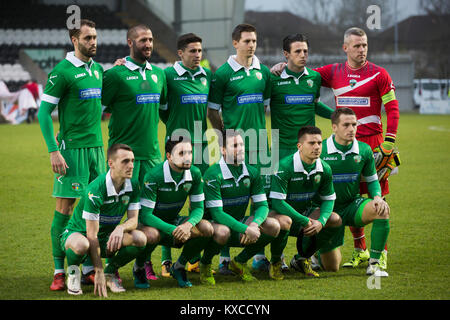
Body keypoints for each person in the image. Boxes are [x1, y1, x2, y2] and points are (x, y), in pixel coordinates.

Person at [272, 27, 399, 270]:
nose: (361, 50)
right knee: (338, 194)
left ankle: (378, 254)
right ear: (346, 48)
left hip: (372, 144)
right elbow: (302, 74)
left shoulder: (379, 74)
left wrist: (389, 141)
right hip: (324, 141)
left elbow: (392, 109)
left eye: (364, 45)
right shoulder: (330, 72)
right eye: (357, 46)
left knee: (375, 197)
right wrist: (280, 65)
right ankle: (358, 249)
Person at [37, 19, 106, 291]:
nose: (94, 42)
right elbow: (43, 113)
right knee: (65, 209)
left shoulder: (98, 70)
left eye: (95, 37)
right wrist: (54, 151)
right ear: (74, 40)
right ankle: (58, 271)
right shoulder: (62, 72)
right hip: (71, 151)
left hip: (97, 150)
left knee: (95, 208)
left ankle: (88, 268)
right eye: (88, 38)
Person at [101, 24, 167, 280]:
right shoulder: (115, 75)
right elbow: (97, 109)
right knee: (116, 214)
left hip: (152, 157)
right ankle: (101, 265)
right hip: (125, 158)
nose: (148, 44)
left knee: (150, 215)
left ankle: (142, 264)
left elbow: (164, 110)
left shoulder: (159, 75)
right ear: (130, 42)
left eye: (150, 39)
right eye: (142, 40)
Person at [207, 23, 272, 273]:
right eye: (246, 41)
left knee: (259, 199)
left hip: (261, 147)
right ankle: (224, 259)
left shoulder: (263, 72)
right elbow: (212, 111)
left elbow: (263, 106)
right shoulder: (223, 73)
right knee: (231, 199)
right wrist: (225, 138)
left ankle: (257, 255)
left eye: (254, 41)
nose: (251, 45)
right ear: (235, 43)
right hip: (233, 147)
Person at [308, 108, 390, 277]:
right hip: (326, 211)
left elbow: (372, 180)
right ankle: (315, 253)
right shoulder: (320, 150)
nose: (351, 129)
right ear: (334, 127)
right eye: (346, 125)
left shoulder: (364, 150)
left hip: (352, 205)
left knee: (382, 209)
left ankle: (374, 264)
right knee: (331, 267)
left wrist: (376, 197)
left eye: (354, 124)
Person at [60, 144, 147, 296]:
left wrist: (120, 228)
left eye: (132, 160)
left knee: (139, 238)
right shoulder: (96, 190)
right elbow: (91, 235)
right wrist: (97, 270)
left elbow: (134, 221)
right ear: (110, 163)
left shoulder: (133, 184)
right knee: (82, 245)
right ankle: (73, 273)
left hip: (105, 238)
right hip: (79, 234)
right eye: (125, 161)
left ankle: (110, 272)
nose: (131, 165)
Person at [158, 33, 213, 276]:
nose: (197, 55)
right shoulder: (168, 76)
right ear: (180, 53)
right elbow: (161, 110)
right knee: (169, 202)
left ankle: (191, 258)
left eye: (200, 51)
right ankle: (165, 258)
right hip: (177, 146)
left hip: (202, 147)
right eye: (192, 51)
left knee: (201, 203)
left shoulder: (206, 75)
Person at [199, 129, 281, 285]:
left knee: (273, 225)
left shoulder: (252, 172)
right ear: (223, 150)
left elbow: (263, 205)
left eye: (242, 144)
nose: (241, 148)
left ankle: (239, 262)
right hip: (213, 229)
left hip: (240, 225)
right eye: (235, 145)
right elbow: (217, 214)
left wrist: (254, 224)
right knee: (223, 231)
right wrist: (245, 229)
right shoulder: (213, 173)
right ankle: (205, 263)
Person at [135, 135, 214, 288]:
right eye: (181, 153)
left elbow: (198, 208)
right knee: (152, 234)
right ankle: (138, 268)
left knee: (207, 228)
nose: (187, 158)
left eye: (190, 153)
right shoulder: (153, 176)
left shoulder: (195, 174)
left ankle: (179, 266)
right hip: (151, 224)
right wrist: (173, 230)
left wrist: (188, 225)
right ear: (169, 156)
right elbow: (145, 215)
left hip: (174, 221)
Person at [268, 126, 339, 278]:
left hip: (305, 218)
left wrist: (321, 221)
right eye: (311, 143)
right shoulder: (284, 166)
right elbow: (277, 203)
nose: (317, 147)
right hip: (280, 216)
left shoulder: (325, 168)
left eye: (319, 143)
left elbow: (329, 200)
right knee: (285, 221)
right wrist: (304, 220)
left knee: (334, 219)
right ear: (299, 146)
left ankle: (303, 258)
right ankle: (275, 262)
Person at [270, 33, 334, 160]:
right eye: (297, 51)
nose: (303, 55)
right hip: (281, 148)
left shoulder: (314, 77)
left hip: (308, 147)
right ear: (286, 54)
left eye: (305, 51)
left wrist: (337, 116)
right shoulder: (272, 79)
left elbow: (314, 105)